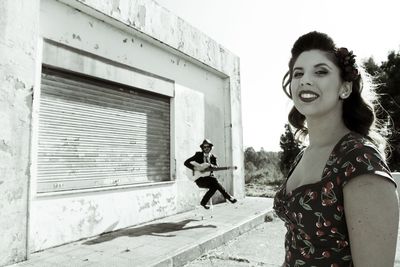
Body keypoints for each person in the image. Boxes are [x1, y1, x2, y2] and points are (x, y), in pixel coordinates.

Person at [273, 31, 399, 267]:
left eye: (320, 71)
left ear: (345, 88)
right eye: (297, 73)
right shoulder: (304, 154)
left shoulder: (360, 161)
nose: (305, 80)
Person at [184, 139, 237, 209]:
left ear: (210, 148)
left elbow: (216, 167)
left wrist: (210, 166)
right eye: (204, 147)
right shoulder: (198, 155)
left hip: (210, 179)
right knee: (215, 182)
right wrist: (195, 168)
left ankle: (203, 202)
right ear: (202, 148)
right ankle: (228, 196)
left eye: (208, 147)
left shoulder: (213, 157)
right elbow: (186, 162)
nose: (206, 148)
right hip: (199, 179)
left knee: (214, 186)